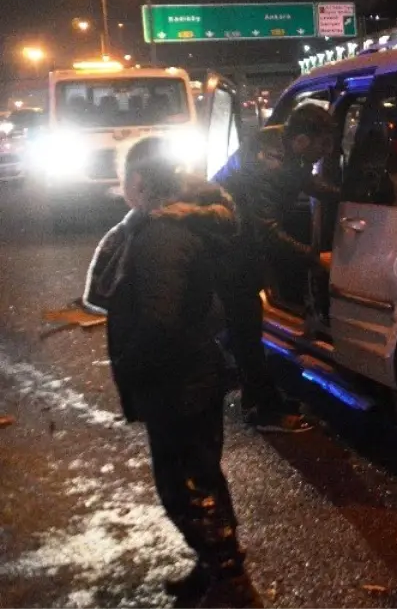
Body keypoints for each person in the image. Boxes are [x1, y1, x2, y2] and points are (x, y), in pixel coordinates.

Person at [96, 136, 262, 608]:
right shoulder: (178, 223)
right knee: (201, 475)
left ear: (140, 182)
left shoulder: (160, 235)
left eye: (125, 176)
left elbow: (160, 320)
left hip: (177, 381)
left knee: (184, 486)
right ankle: (210, 570)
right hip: (193, 374)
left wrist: (129, 364)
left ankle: (231, 584)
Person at [213, 104, 338, 433]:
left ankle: (256, 391)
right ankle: (261, 409)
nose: (328, 152)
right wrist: (315, 258)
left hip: (235, 239)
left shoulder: (279, 142)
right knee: (246, 326)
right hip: (227, 245)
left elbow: (304, 181)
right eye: (322, 145)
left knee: (242, 325)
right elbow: (267, 231)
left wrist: (347, 194)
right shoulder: (269, 163)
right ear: (300, 141)